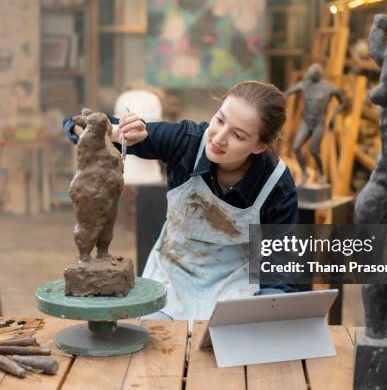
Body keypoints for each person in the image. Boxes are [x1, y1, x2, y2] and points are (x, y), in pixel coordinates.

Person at [63, 81, 301, 322]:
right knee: (156, 341)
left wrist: (269, 312)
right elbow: (76, 123)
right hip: (172, 272)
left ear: (259, 146)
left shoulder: (276, 184)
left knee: (223, 345)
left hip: (234, 283)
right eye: (219, 120)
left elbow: (280, 274)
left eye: (238, 135)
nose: (218, 138)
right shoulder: (186, 142)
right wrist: (103, 132)